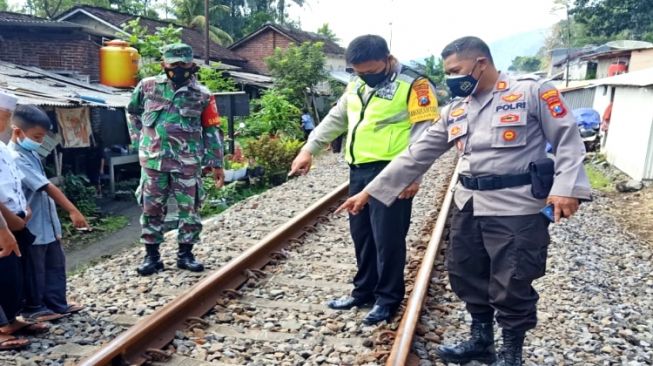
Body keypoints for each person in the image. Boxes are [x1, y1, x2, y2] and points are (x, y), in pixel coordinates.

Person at [337, 36, 591, 365]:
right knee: (466, 273)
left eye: (455, 70)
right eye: (447, 72)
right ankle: (481, 340)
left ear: (480, 63)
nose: (451, 77)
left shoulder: (531, 92)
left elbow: (568, 139)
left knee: (512, 281)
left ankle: (511, 354)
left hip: (517, 207)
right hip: (469, 204)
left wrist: (566, 187)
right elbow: (416, 155)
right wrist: (369, 191)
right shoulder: (457, 109)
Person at [289, 35, 439, 325]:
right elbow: (337, 117)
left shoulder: (415, 84)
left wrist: (413, 175)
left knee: (388, 239)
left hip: (393, 170)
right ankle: (364, 291)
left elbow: (425, 133)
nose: (366, 77)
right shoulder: (356, 82)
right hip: (358, 169)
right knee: (362, 234)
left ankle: (388, 299)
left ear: (387, 59)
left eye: (371, 71)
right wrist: (309, 149)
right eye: (360, 72)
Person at [127, 43, 224, 276]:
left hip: (187, 163)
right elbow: (132, 111)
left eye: (184, 64)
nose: (179, 69)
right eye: (174, 64)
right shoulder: (147, 86)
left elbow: (211, 129)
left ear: (192, 64)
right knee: (151, 209)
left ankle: (185, 255)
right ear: (164, 65)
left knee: (189, 210)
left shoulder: (203, 94)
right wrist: (139, 141)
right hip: (153, 162)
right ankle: (152, 257)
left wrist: (216, 162)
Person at [10, 105, 88, 321]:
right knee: (35, 269)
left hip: (47, 225)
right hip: (32, 225)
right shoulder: (16, 157)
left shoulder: (31, 153)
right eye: (36, 136)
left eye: (43, 136)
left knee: (55, 264)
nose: (40, 140)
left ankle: (57, 303)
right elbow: (46, 187)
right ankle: (35, 308)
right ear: (18, 132)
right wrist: (73, 210)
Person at [0, 91, 48, 350]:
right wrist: (5, 226)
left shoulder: (1, 147)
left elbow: (13, 184)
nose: (6, 124)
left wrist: (25, 209)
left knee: (13, 276)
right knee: (3, 274)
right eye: (3, 117)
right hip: (3, 224)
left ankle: (10, 321)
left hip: (14, 220)